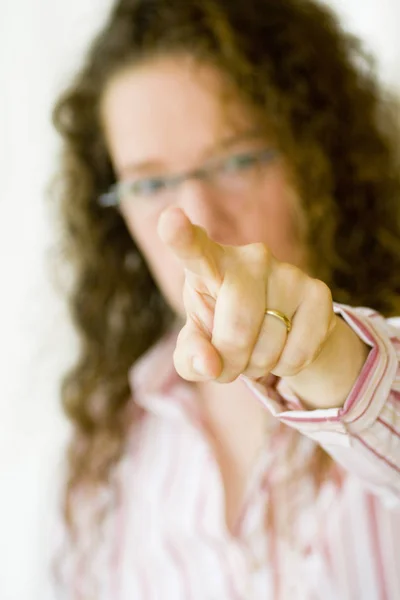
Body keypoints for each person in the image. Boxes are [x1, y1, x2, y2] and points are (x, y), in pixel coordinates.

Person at [51, 0, 400, 598]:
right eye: (151, 183)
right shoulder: (109, 450)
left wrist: (328, 360)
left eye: (238, 160)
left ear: (319, 161)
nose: (200, 219)